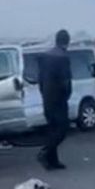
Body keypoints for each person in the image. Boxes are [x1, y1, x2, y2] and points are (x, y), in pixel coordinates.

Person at [37, 29, 73, 170]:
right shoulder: (63, 58)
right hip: (59, 99)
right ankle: (45, 152)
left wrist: (44, 93)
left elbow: (40, 79)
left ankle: (52, 161)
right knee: (62, 129)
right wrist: (67, 95)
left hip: (47, 97)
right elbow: (66, 81)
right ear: (67, 42)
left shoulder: (46, 57)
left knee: (52, 129)